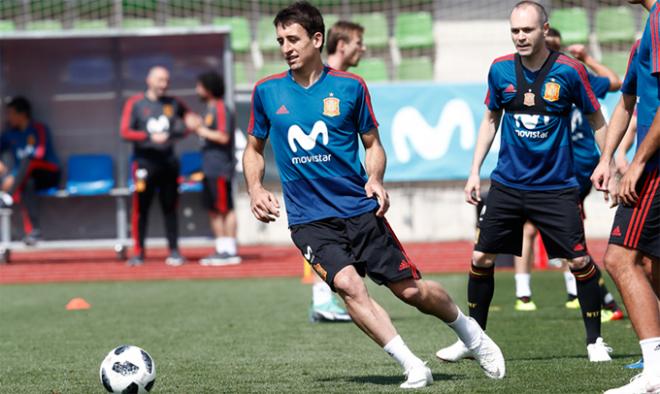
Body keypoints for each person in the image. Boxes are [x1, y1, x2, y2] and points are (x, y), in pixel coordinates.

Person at [242, 1, 505, 388]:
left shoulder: (350, 87)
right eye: (280, 40)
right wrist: (254, 187)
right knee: (348, 286)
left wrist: (376, 179)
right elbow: (253, 149)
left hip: (358, 210)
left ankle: (474, 337)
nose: (286, 47)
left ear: (317, 39)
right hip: (308, 219)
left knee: (411, 291)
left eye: (293, 39)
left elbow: (373, 144)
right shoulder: (266, 91)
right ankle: (413, 365)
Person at [436, 1, 612, 364]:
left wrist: (607, 161)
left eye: (527, 30)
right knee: (481, 256)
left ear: (544, 30)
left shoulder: (569, 71)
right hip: (507, 185)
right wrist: (474, 171)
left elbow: (597, 119)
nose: (520, 37)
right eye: (515, 30)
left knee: (579, 261)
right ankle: (475, 340)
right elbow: (489, 120)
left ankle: (595, 342)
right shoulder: (500, 70)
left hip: (556, 187)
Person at [512, 27, 624, 324]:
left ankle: (600, 299)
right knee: (557, 234)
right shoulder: (553, 77)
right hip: (566, 169)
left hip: (570, 171)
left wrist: (586, 57)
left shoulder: (571, 77)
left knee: (562, 236)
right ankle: (583, 294)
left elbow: (615, 82)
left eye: (552, 45)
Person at [592, 0, 660, 390]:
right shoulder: (644, 35)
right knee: (651, 266)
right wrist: (608, 158)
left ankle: (654, 373)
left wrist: (637, 164)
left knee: (619, 258)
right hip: (647, 160)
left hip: (654, 165)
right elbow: (627, 101)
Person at [303, 20, 366, 323]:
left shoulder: (348, 84)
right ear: (342, 44)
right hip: (319, 182)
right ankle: (322, 300)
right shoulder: (317, 83)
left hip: (344, 185)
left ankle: (325, 299)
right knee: (325, 238)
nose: (362, 49)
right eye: (358, 43)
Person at [120, 66, 189, 267]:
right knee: (141, 209)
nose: (164, 84)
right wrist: (149, 137)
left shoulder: (174, 103)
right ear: (149, 80)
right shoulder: (136, 103)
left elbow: (189, 122)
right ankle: (139, 253)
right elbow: (125, 131)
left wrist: (177, 132)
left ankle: (174, 251)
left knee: (170, 207)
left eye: (166, 80)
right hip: (143, 164)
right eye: (160, 80)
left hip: (168, 163)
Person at [186, 71, 241, 266]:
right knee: (214, 210)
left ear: (208, 88)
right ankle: (222, 248)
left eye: (200, 86)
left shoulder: (219, 108)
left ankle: (230, 250)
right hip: (209, 167)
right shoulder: (209, 110)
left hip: (220, 168)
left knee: (225, 208)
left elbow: (223, 136)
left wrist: (199, 129)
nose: (197, 90)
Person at [0, 96, 60, 245]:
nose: (8, 117)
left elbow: (38, 155)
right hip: (26, 178)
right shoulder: (10, 134)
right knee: (27, 185)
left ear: (22, 114)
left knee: (28, 162)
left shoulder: (38, 129)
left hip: (48, 172)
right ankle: (34, 232)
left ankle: (7, 196)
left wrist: (13, 177)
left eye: (11, 113)